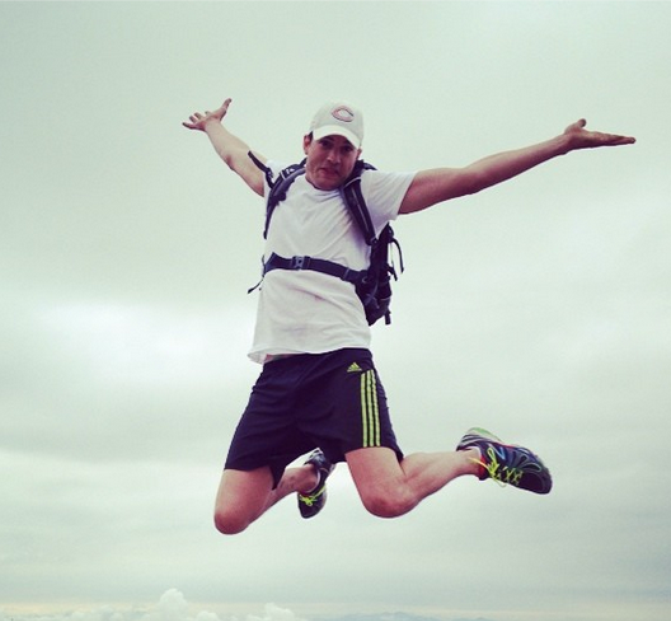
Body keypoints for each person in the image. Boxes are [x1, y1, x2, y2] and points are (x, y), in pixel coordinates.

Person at [182, 98, 634, 535]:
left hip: (339, 365)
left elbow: (469, 177)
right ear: (307, 143)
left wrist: (559, 144)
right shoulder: (277, 184)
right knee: (230, 517)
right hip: (277, 373)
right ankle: (308, 477)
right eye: (326, 144)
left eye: (346, 148)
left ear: (358, 154)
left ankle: (476, 454)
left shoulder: (371, 192)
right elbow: (233, 154)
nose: (333, 157)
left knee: (387, 499)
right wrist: (211, 125)